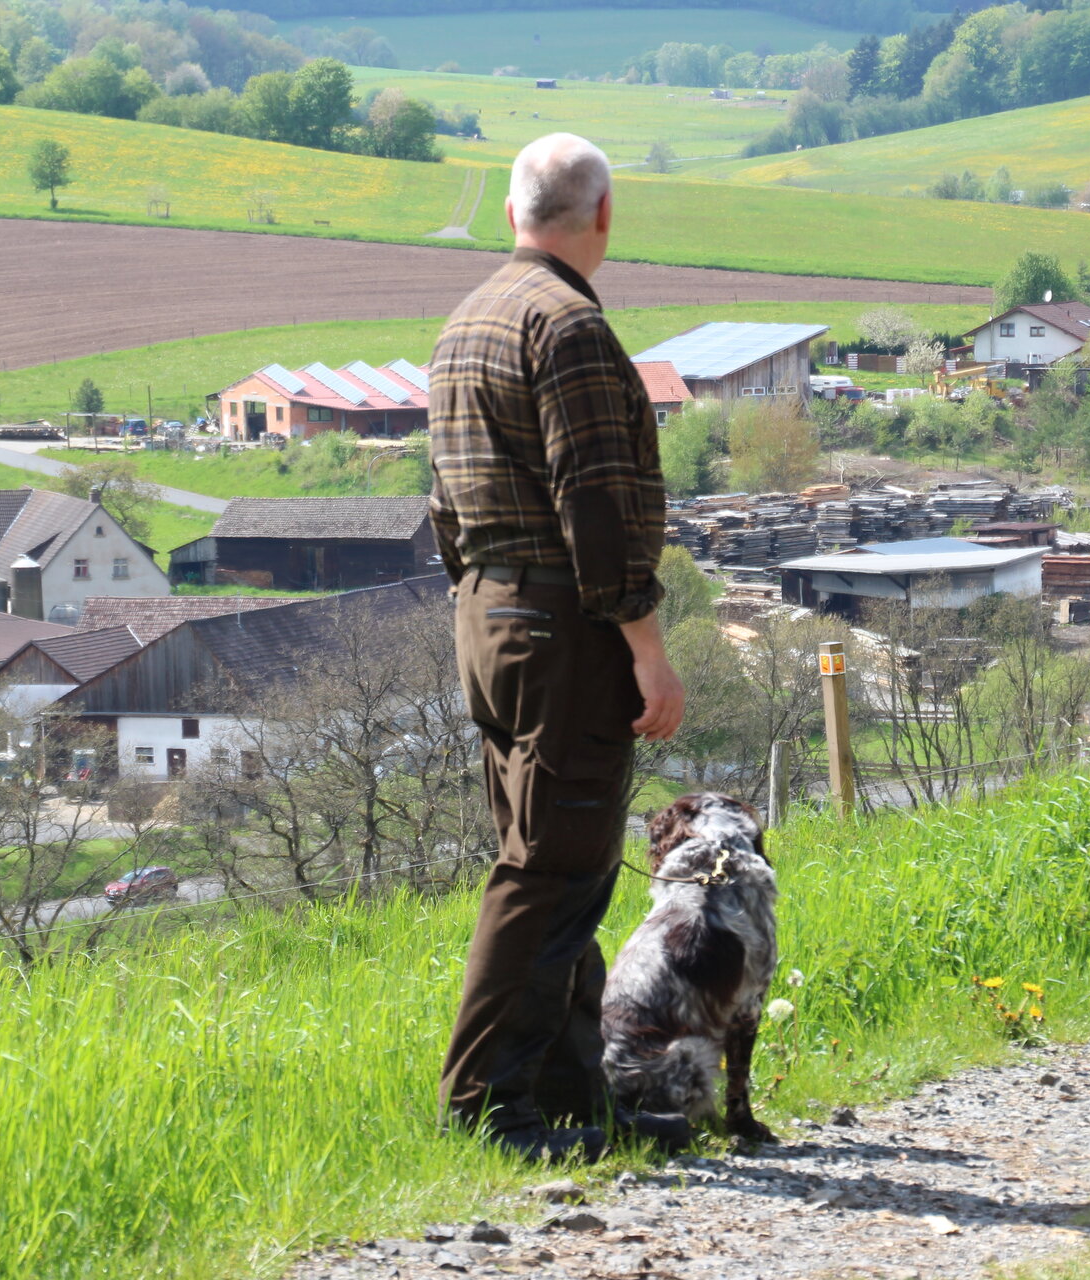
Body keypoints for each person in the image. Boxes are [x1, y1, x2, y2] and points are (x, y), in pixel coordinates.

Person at [429, 133, 685, 1163]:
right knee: (551, 866)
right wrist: (647, 650)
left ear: (510, 215)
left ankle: (580, 1098)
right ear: (605, 213)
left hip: (488, 613)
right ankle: (489, 1107)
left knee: (561, 861)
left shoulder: (469, 319)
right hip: (563, 624)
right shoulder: (569, 327)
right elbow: (598, 505)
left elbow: (444, 496)